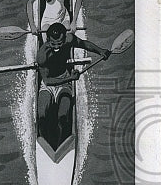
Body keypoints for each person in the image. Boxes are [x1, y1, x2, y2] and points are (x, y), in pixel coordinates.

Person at [35, 21, 110, 150]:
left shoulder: (70, 39)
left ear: (65, 37)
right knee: (41, 117)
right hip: (48, 85)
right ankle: (44, 146)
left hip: (65, 82)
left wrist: (100, 51)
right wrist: (72, 78)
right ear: (47, 40)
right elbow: (47, 81)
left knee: (63, 118)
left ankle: (61, 146)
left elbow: (84, 44)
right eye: (53, 44)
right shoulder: (42, 55)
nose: (57, 47)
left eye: (60, 43)